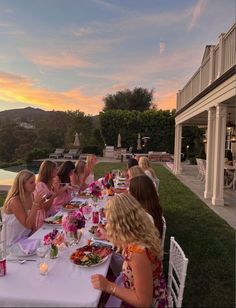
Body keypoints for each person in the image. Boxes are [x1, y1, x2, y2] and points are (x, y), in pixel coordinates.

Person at [91, 193, 168, 307]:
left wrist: (108, 286)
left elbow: (143, 302)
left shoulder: (138, 253)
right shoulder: (139, 233)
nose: (108, 225)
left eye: (110, 222)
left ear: (120, 225)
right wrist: (108, 237)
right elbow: (125, 243)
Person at [1, 170, 44, 247]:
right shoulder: (15, 201)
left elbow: (32, 219)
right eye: (31, 182)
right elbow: (28, 225)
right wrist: (36, 204)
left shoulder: (30, 196)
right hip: (13, 243)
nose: (35, 184)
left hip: (26, 238)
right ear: (22, 184)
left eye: (34, 181)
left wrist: (35, 233)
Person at [34, 160, 58, 228]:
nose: (57, 170)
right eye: (55, 168)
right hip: (44, 218)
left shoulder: (50, 183)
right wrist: (53, 195)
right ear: (49, 171)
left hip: (51, 215)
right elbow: (45, 207)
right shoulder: (40, 185)